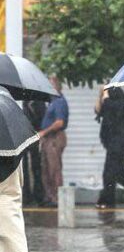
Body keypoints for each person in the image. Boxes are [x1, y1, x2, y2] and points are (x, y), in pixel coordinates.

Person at [39, 75, 68, 207]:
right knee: (46, 169)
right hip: (48, 138)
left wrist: (44, 132)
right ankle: (50, 196)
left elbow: (59, 122)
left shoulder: (59, 102)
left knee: (54, 169)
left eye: (51, 85)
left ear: (57, 86)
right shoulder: (52, 101)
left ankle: (56, 198)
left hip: (54, 138)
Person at [21, 99, 46, 205]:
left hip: (36, 136)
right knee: (25, 168)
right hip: (25, 137)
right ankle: (27, 195)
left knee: (36, 167)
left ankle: (38, 195)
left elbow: (41, 120)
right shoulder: (25, 102)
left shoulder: (39, 103)